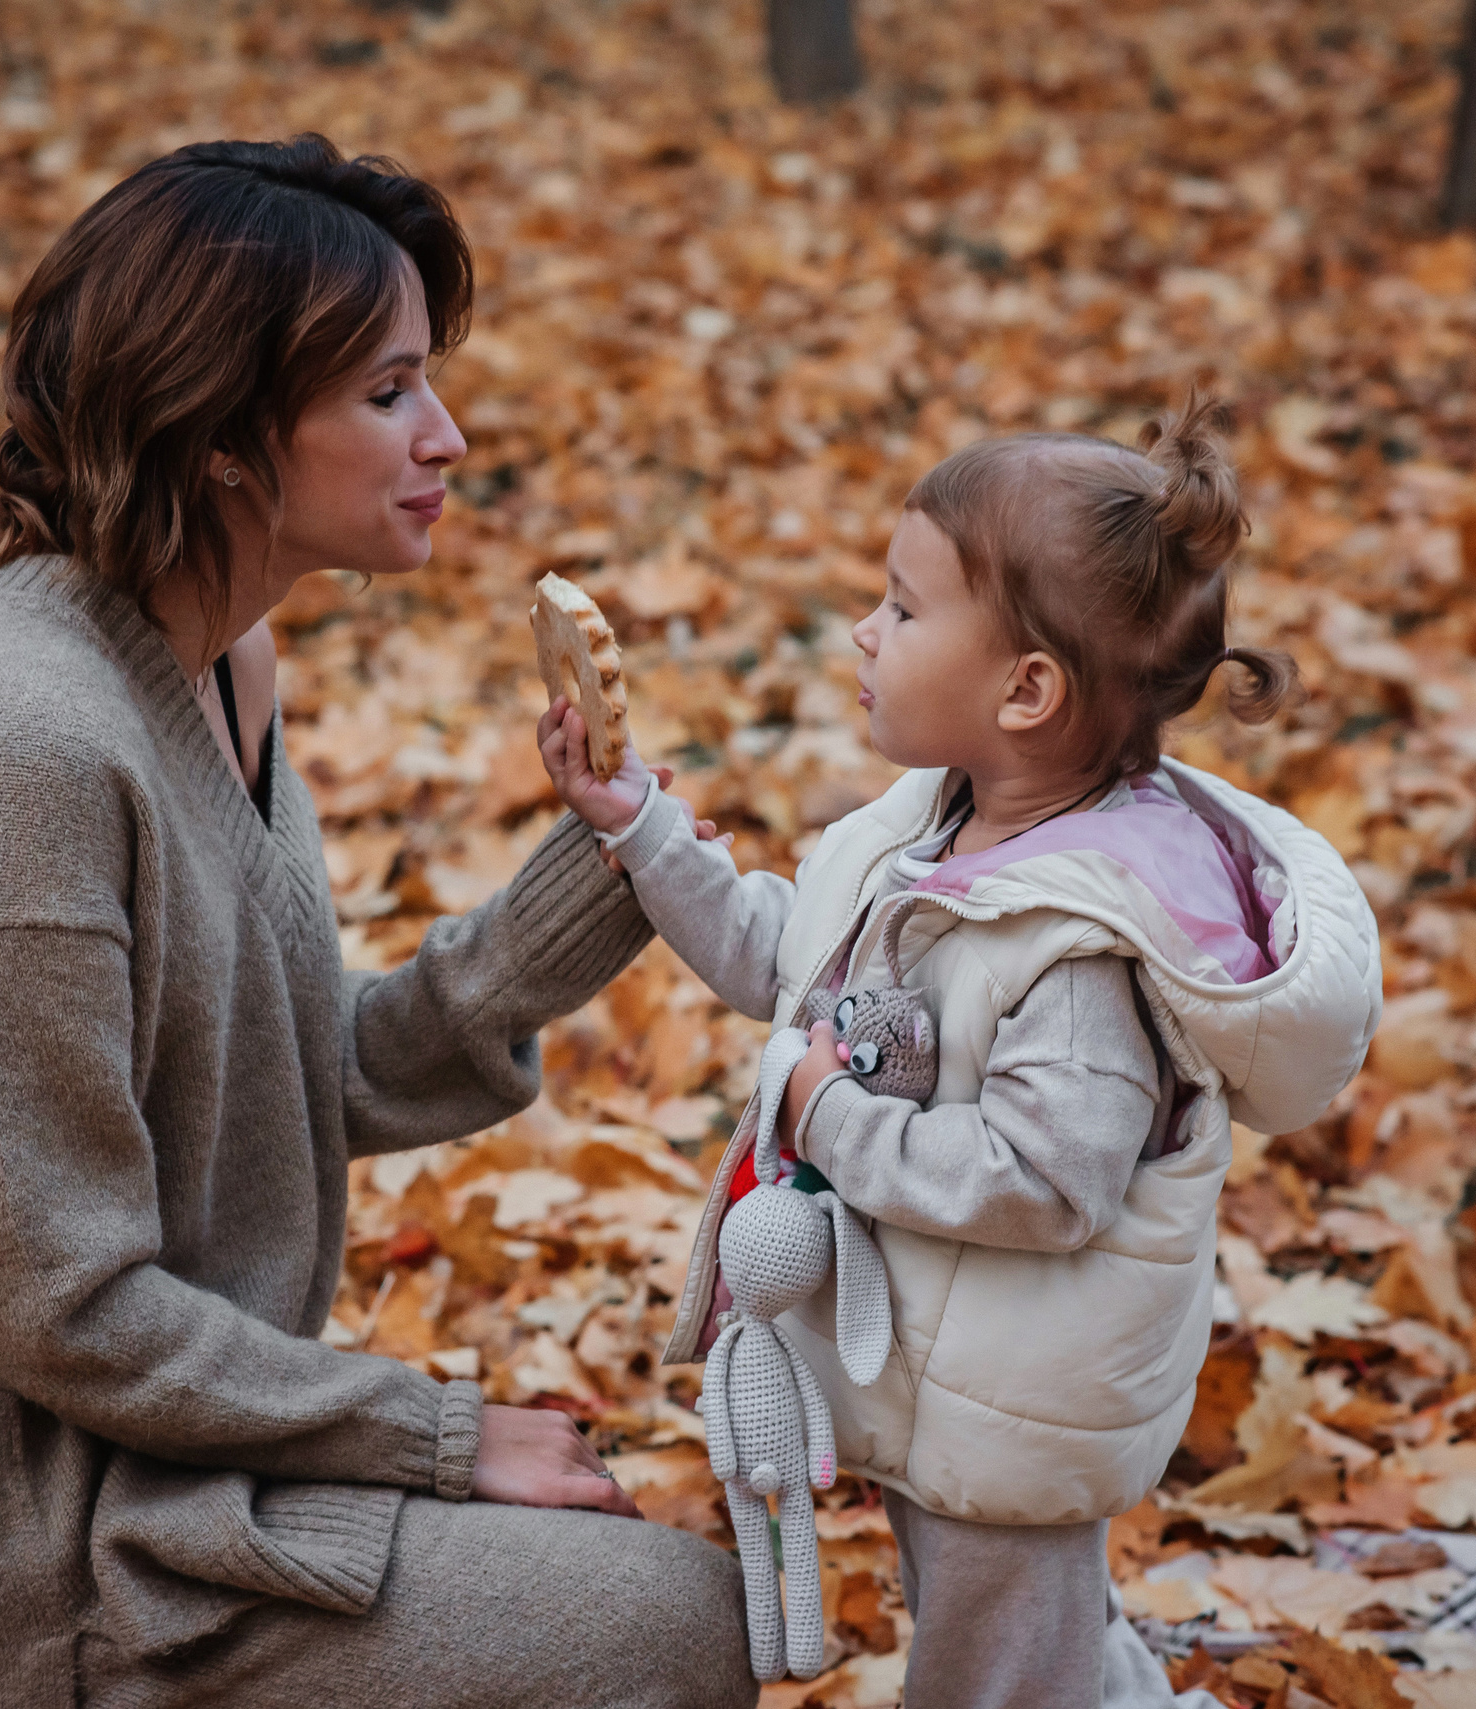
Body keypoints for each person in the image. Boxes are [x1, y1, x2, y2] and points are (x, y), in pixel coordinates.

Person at [0, 136, 754, 1709]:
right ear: (221, 435)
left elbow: (280, 1071)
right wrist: (438, 1437)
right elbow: (61, 1303)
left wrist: (599, 880)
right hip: (13, 1572)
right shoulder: (14, 751)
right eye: (389, 393)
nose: (450, 438)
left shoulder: (219, 662)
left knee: (671, 1581)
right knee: (670, 1627)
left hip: (165, 1475)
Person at [540, 398, 1383, 1708]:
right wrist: (641, 824)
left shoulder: (1083, 947)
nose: (866, 632)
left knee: (997, 1676)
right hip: (948, 1380)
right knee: (1031, 1647)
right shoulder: (937, 830)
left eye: (904, 606)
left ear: (1026, 689)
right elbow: (792, 960)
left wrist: (828, 1121)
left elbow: (1047, 1181)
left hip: (1018, 1414)